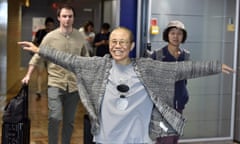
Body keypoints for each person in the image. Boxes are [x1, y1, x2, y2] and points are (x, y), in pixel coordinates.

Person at [18, 27, 234, 144]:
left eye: (122, 42)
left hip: (139, 140)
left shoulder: (148, 68)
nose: (117, 46)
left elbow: (181, 69)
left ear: (131, 46)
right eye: (113, 41)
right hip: (104, 140)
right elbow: (70, 60)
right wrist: (40, 50)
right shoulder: (98, 66)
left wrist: (214, 66)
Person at [21, 4, 89, 144]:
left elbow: (86, 59)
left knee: (69, 121)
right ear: (59, 17)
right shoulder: (50, 37)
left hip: (74, 86)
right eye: (64, 16)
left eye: (70, 16)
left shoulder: (79, 36)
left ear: (73, 18)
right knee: (55, 117)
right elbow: (38, 56)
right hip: (55, 83)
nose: (67, 19)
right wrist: (28, 75)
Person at [147, 20, 190, 144]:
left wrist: (183, 97)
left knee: (173, 138)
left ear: (183, 36)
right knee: (166, 138)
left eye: (179, 33)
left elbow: (184, 81)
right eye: (173, 33)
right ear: (167, 35)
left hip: (179, 106)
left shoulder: (186, 56)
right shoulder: (158, 55)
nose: (176, 36)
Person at [32, 17, 55, 101]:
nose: (50, 27)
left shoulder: (55, 34)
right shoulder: (40, 32)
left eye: (51, 25)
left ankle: (50, 90)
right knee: (40, 73)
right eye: (48, 25)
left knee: (51, 74)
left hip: (51, 56)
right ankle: (39, 91)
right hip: (41, 55)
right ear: (45, 25)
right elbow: (34, 41)